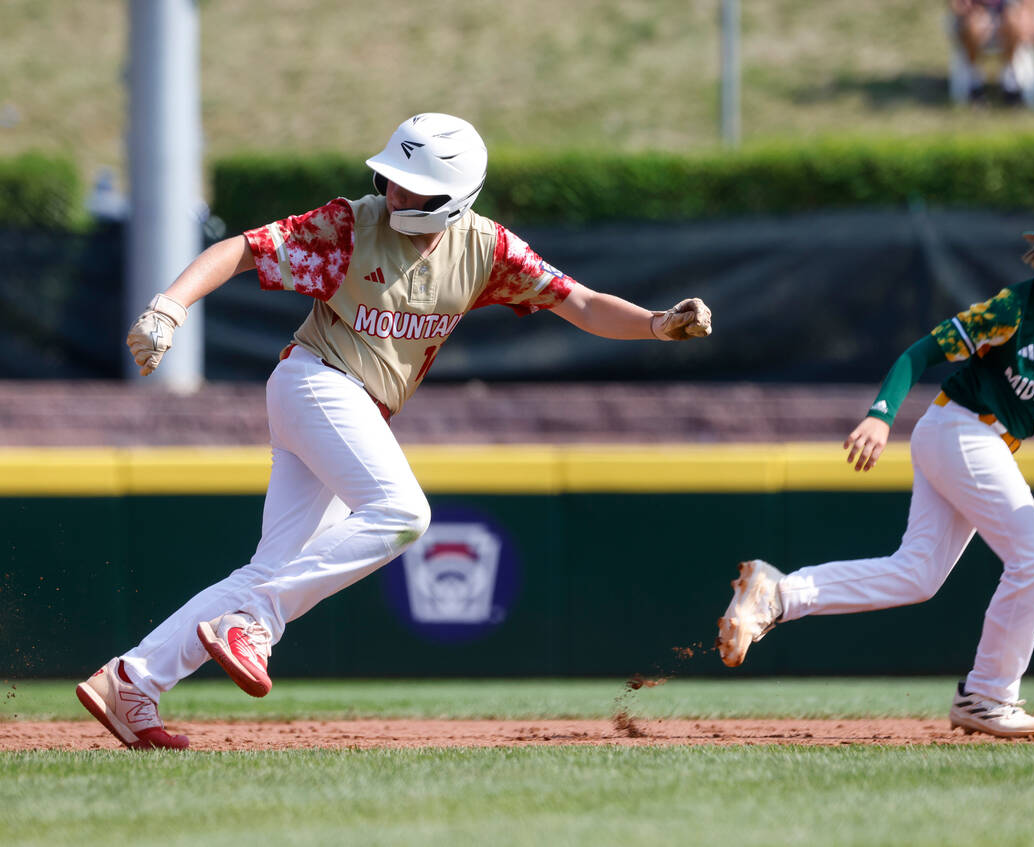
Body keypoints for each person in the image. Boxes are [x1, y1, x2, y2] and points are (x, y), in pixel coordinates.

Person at [76, 112, 713, 750]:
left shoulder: (486, 249)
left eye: (414, 187)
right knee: (403, 513)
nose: (397, 195)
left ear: (458, 199)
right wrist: (169, 306)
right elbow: (241, 249)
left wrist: (657, 325)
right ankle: (255, 622)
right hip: (316, 382)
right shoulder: (353, 225)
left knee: (271, 567)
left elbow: (578, 302)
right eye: (392, 180)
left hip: (348, 405)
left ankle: (132, 680)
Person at [716, 197, 1034, 739]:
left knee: (918, 574)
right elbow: (918, 352)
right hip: (961, 430)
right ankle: (989, 695)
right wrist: (881, 415)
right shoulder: (1013, 309)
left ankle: (777, 594)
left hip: (971, 440)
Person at [947, 0, 1034, 106]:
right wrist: (964, 11)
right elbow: (956, 6)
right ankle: (974, 78)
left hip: (1008, 13)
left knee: (1013, 22)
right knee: (972, 26)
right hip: (976, 13)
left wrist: (1033, 21)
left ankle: (1010, 78)